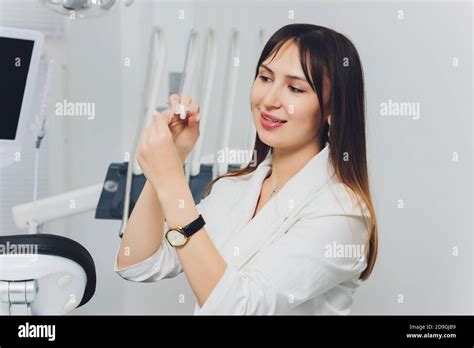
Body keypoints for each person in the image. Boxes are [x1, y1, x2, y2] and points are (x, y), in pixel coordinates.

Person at [114, 23, 378, 315]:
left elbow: (238, 307)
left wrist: (170, 180)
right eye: (265, 78)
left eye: (295, 88)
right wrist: (172, 160)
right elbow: (136, 263)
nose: (269, 100)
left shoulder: (342, 214)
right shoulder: (235, 189)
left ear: (331, 110)